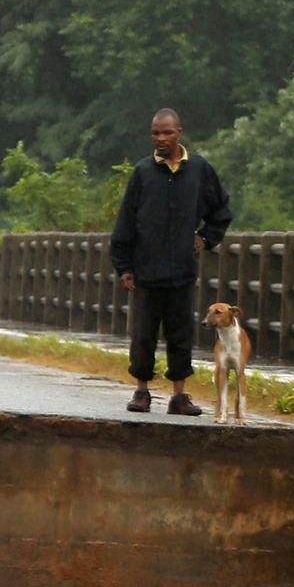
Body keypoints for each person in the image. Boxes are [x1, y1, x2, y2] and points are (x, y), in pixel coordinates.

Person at [110, 108, 231, 416]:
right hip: (146, 270)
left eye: (167, 133)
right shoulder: (143, 172)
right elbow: (126, 221)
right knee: (143, 335)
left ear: (180, 132)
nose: (161, 139)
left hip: (181, 269)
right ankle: (141, 391)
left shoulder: (199, 170)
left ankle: (179, 395)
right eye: (155, 133)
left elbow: (220, 210)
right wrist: (124, 266)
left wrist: (205, 238)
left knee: (181, 334)